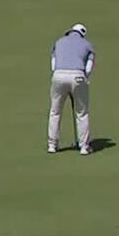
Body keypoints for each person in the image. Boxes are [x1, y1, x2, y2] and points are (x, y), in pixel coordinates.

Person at [48, 24, 96, 155]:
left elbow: (53, 65)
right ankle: (84, 147)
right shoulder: (88, 45)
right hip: (78, 76)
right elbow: (88, 67)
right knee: (82, 113)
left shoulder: (58, 42)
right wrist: (84, 79)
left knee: (55, 111)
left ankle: (52, 145)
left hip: (58, 76)